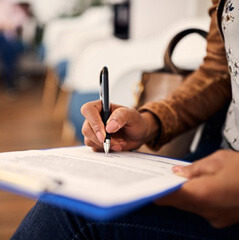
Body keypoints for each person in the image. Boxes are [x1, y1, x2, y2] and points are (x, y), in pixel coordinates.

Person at [11, 0, 239, 239]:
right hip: (216, 156)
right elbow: (219, 70)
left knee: (67, 215)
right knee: (75, 198)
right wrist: (150, 121)